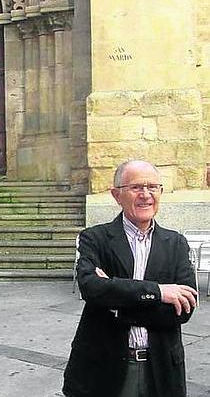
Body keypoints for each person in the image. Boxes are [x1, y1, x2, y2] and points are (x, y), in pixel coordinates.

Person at [62, 160, 198, 397]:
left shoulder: (176, 244)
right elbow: (91, 288)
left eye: (153, 187)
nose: (146, 195)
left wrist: (117, 306)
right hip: (103, 368)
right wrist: (158, 292)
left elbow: (183, 310)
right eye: (136, 187)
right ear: (117, 195)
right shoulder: (95, 239)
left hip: (160, 370)